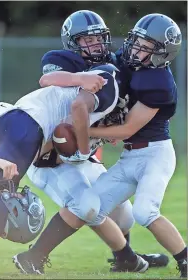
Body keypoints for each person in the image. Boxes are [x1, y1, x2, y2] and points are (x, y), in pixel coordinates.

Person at [29, 9, 168, 269]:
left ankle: (124, 257)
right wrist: (80, 78)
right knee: (87, 206)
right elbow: (47, 79)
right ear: (73, 42)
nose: (96, 44)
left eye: (99, 38)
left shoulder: (112, 64)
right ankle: (34, 257)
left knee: (123, 214)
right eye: (87, 40)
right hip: (53, 156)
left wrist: (110, 125)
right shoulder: (64, 61)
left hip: (85, 153)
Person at [85, 14, 187, 278]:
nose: (135, 49)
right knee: (88, 207)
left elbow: (128, 128)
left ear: (162, 54)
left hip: (155, 153)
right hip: (130, 156)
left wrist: (83, 129)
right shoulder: (126, 62)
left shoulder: (159, 82)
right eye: (136, 42)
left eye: (146, 47)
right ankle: (127, 257)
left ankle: (185, 261)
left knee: (144, 211)